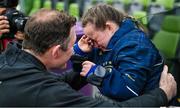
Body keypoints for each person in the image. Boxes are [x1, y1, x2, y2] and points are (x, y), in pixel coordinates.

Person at [0, 8, 176, 107]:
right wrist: (162, 94)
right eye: (72, 46)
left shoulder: (9, 61)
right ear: (55, 51)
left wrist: (86, 63)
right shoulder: (45, 92)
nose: (75, 50)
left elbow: (59, 83)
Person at [73, 4, 164, 101]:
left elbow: (129, 90)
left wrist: (96, 73)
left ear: (109, 27)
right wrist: (80, 53)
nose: (93, 44)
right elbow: (81, 72)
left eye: (94, 39)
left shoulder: (135, 45)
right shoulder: (103, 44)